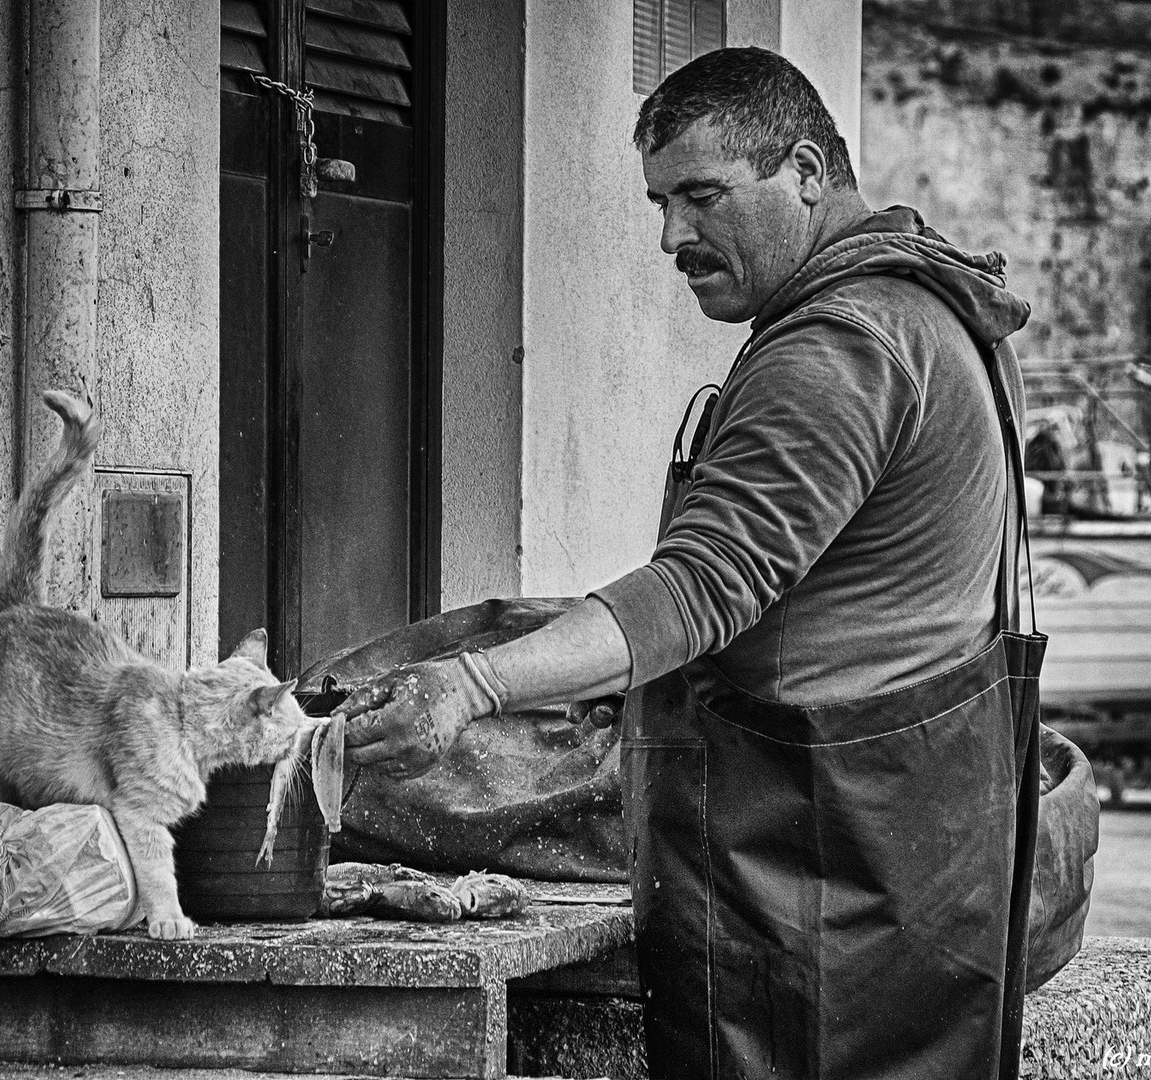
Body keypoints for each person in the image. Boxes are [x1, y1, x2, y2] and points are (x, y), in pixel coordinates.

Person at [337, 46, 1043, 1080]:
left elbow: (701, 587)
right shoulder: (929, 313)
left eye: (702, 196)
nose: (673, 235)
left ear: (805, 170)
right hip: (911, 861)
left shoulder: (837, 348)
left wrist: (466, 685)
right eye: (662, 202)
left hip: (817, 869)